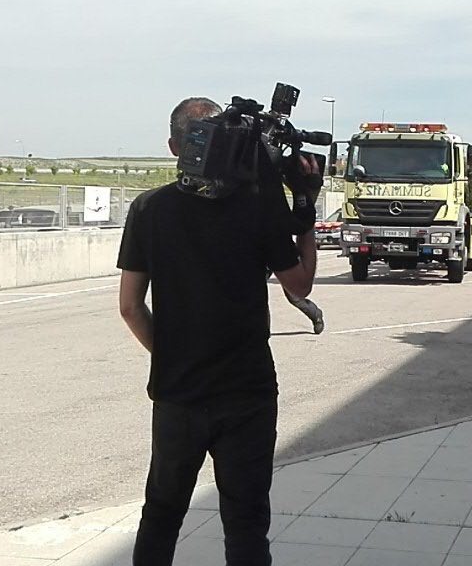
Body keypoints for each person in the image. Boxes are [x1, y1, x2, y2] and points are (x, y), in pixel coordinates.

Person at [117, 97, 320, 566]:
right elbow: (300, 285)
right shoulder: (258, 205)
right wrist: (303, 206)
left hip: (178, 394)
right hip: (246, 393)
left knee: (162, 514)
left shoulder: (149, 209)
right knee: (246, 522)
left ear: (174, 147)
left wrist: (168, 356)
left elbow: (130, 307)